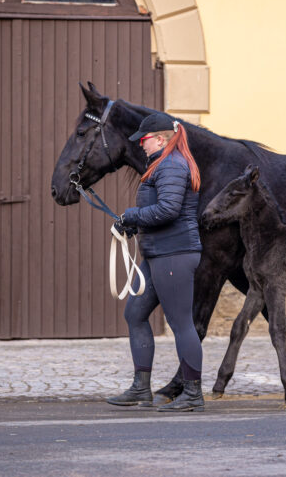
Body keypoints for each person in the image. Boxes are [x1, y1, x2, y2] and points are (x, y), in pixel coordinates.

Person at [106, 112, 205, 412]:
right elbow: (158, 211)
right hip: (158, 252)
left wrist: (133, 216)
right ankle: (141, 389)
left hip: (174, 254)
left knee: (181, 324)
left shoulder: (172, 164)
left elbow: (169, 210)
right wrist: (134, 225)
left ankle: (192, 393)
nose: (141, 145)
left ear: (161, 139)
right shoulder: (163, 163)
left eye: (144, 140)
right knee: (135, 313)